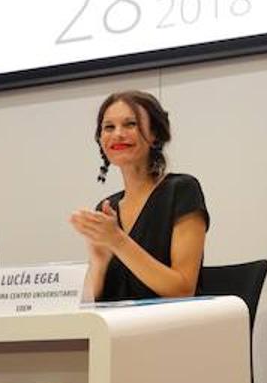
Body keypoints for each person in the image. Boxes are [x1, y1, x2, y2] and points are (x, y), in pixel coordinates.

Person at [69, 90, 209, 301]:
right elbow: (92, 303)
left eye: (130, 124)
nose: (117, 134)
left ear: (154, 134)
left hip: (170, 327)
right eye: (109, 127)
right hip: (117, 330)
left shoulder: (182, 190)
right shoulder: (107, 208)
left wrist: (117, 240)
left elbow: (182, 289)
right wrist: (99, 263)